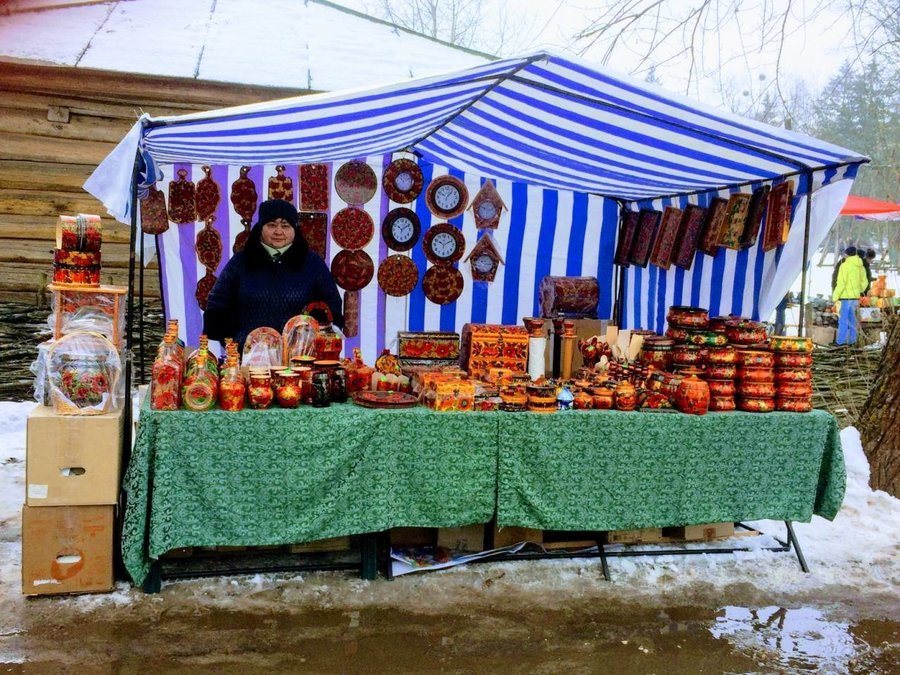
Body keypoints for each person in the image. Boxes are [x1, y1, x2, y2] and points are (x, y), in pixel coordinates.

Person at [203, 199, 343, 350]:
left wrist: (319, 336)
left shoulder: (312, 263)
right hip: (249, 355)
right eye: (271, 225)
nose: (278, 231)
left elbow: (331, 303)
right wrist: (232, 342)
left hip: (300, 357)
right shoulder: (242, 261)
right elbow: (218, 302)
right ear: (260, 228)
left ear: (295, 229)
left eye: (285, 226)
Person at [831, 245, 868, 346]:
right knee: (853, 320)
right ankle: (853, 341)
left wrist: (835, 296)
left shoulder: (845, 266)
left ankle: (840, 341)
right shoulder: (861, 267)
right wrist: (858, 290)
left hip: (845, 298)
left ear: (847, 254)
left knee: (843, 320)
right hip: (855, 298)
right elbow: (864, 282)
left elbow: (841, 283)